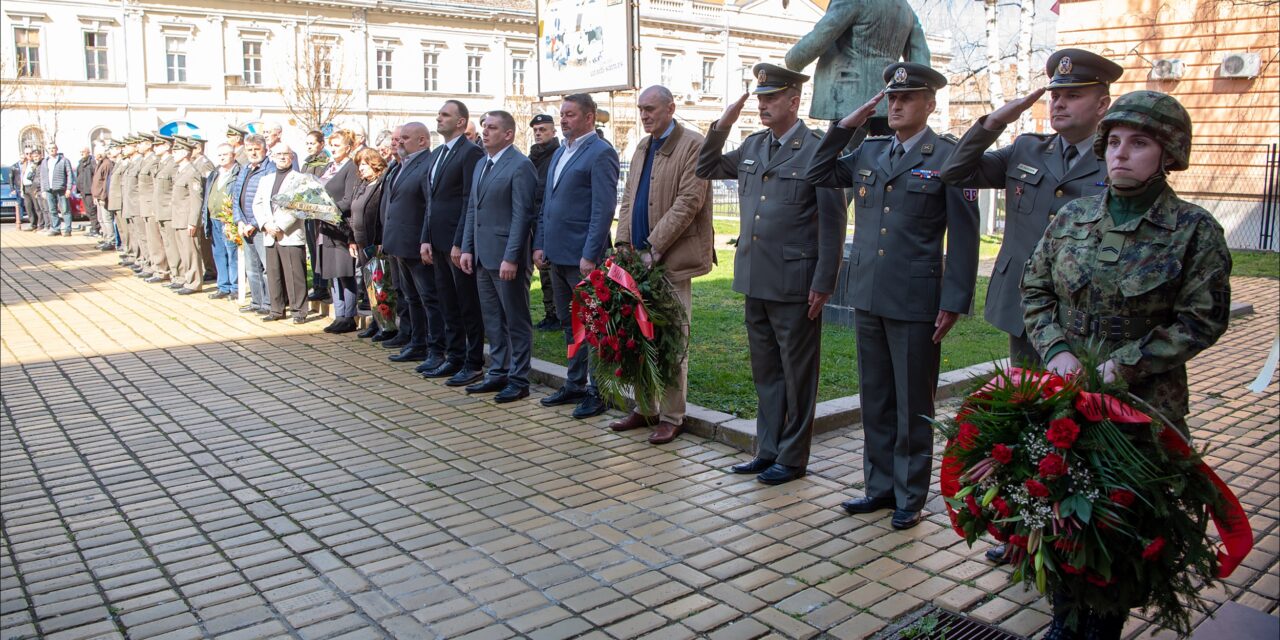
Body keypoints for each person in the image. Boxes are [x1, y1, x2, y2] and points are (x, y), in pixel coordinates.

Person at [1022, 90, 1232, 640]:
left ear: (1168, 154)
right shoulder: (1072, 217)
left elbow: (1202, 319)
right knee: (1061, 514)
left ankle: (1104, 627)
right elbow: (1036, 290)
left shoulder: (1194, 230)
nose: (1120, 154)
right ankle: (1064, 620)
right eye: (1113, 142)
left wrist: (1128, 366)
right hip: (1067, 404)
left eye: (1139, 144)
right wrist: (1058, 350)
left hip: (1141, 413)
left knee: (1122, 526)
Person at [941, 47, 1122, 565]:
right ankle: (1022, 529)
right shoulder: (1025, 148)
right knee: (1026, 421)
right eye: (1055, 95)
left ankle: (1071, 533)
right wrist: (999, 118)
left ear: (1102, 103)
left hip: (1084, 318)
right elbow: (957, 171)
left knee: (1076, 423)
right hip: (1025, 308)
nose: (1059, 104)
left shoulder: (1117, 155)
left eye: (1073, 95)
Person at [807, 62, 980, 528]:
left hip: (916, 297)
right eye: (892, 98)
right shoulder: (870, 151)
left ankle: (909, 495)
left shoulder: (947, 155)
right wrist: (847, 127)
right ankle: (878, 487)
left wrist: (954, 298)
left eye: (908, 98)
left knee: (911, 402)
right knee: (876, 398)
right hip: (867, 291)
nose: (897, 104)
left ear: (930, 103)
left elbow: (965, 235)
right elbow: (817, 171)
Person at [697, 64, 847, 484]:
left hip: (796, 281)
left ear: (794, 100)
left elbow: (833, 221)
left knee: (797, 374)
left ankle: (793, 457)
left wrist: (824, 281)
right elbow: (706, 166)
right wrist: (721, 125)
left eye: (771, 97)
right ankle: (768, 448)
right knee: (766, 369)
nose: (762, 105)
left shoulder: (817, 148)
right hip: (754, 276)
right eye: (760, 98)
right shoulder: (752, 145)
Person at [612, 85, 715, 445]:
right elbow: (628, 198)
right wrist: (623, 244)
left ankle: (672, 416)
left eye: (651, 109)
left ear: (671, 108)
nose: (644, 115)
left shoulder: (693, 145)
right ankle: (645, 407)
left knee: (671, 340)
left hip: (671, 261)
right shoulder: (642, 147)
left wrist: (653, 248)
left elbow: (689, 201)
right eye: (641, 109)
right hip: (637, 260)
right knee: (640, 338)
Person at [533, 93, 621, 420]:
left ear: (589, 117)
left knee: (594, 326)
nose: (563, 120)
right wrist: (540, 243)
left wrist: (590, 253)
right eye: (562, 115)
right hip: (556, 255)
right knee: (572, 327)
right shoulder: (560, 153)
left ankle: (597, 391)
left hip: (583, 258)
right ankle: (574, 382)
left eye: (570, 114)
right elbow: (547, 204)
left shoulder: (601, 153)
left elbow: (602, 209)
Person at [459, 110, 539, 403]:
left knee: (515, 319)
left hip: (507, 259)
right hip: (482, 255)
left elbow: (522, 216)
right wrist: (468, 247)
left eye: (492, 127)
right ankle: (498, 371)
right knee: (492, 318)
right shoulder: (482, 163)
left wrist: (512, 256)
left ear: (508, 134)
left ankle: (518, 379)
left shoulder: (520, 166)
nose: (485, 132)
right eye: (483, 127)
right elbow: (473, 210)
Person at [784, 0, 930, 135]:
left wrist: (792, 60)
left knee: (840, 155)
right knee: (888, 154)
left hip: (849, 96)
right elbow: (921, 62)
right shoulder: (906, 10)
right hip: (888, 98)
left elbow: (821, 35)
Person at [420, 100, 487, 384]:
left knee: (466, 304)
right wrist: (425, 238)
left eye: (445, 115)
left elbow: (467, 201)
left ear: (461, 122)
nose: (439, 118)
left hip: (456, 243)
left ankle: (473, 362)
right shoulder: (437, 154)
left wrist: (461, 241)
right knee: (447, 302)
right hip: (437, 241)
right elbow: (431, 201)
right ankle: (454, 356)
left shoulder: (470, 153)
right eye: (439, 114)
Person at [379, 122, 446, 365]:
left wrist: (424, 239)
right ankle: (417, 343)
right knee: (411, 297)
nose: (400, 142)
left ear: (423, 141)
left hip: (416, 244)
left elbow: (430, 206)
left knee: (428, 297)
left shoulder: (427, 165)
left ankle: (435, 347)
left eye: (405, 138)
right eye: (399, 139)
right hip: (399, 243)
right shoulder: (401, 165)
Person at [255, 143, 310, 323]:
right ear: (272, 156)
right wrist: (266, 224)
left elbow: (299, 206)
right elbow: (257, 204)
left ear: (292, 156)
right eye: (278, 154)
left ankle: (299, 311)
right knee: (273, 273)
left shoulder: (300, 179)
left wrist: (280, 226)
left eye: (285, 154)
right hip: (269, 233)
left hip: (290, 233)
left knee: (295, 275)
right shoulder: (266, 179)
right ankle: (276, 310)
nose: (282, 157)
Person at [316, 129, 361, 333]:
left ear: (348, 148)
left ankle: (349, 316)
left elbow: (349, 199)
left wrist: (326, 210)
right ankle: (339, 313)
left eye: (337, 145)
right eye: (331, 145)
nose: (332, 149)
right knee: (332, 272)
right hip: (326, 227)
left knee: (345, 273)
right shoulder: (329, 167)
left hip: (342, 227)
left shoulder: (351, 167)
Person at [231, 134, 276, 314]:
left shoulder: (269, 169)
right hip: (245, 225)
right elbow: (236, 197)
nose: (253, 153)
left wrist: (255, 223)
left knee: (266, 268)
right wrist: (239, 220)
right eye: (249, 150)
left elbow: (271, 200)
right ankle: (256, 301)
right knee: (251, 268)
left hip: (260, 226)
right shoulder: (245, 169)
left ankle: (269, 303)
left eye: (257, 149)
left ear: (264, 150)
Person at [527, 114, 562, 332]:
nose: (539, 133)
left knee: (550, 269)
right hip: (534, 217)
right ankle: (551, 312)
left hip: (549, 218)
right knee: (542, 268)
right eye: (536, 130)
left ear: (553, 132)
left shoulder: (556, 154)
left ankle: (557, 314)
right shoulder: (534, 156)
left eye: (543, 130)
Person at [351, 148, 389, 340]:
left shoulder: (381, 183)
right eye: (359, 165)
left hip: (375, 242)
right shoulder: (362, 184)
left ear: (374, 163)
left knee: (380, 285)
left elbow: (381, 214)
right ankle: (376, 322)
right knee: (370, 286)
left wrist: (381, 239)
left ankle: (385, 324)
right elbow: (354, 212)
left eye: (364, 164)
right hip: (360, 241)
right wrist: (351, 239)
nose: (361, 169)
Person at [204, 143, 242, 300]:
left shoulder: (238, 173)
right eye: (219, 155)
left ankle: (235, 287)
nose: (221, 158)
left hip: (229, 219)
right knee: (218, 253)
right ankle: (223, 286)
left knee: (232, 253)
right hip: (213, 218)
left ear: (233, 155)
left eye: (225, 155)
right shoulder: (215, 173)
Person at [169, 140, 206, 294]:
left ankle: (194, 282)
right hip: (178, 217)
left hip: (186, 219)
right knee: (183, 251)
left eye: (176, 151)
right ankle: (187, 278)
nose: (173, 154)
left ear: (185, 153)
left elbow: (196, 200)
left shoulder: (192, 172)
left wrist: (193, 222)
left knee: (191, 251)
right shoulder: (181, 171)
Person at [153, 136, 185, 287]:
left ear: (167, 146)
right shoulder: (162, 164)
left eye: (158, 145)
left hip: (170, 211)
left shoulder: (173, 164)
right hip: (161, 210)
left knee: (174, 246)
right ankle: (174, 274)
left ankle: (180, 275)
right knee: (168, 245)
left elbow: (175, 190)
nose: (155, 147)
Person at [40, 142, 76, 237]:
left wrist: (69, 188)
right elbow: (42, 176)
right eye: (50, 148)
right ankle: (56, 228)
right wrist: (43, 190)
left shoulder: (64, 160)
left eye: (53, 148)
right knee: (52, 210)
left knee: (65, 210)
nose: (52, 150)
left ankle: (68, 229)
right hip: (49, 189)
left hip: (61, 188)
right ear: (47, 150)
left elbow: (69, 174)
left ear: (57, 149)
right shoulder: (45, 161)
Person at [92, 143, 116, 250]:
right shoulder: (100, 163)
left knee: (107, 219)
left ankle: (111, 240)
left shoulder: (107, 164)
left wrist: (103, 197)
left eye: (96, 153)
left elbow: (106, 182)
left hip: (103, 197)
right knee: (101, 219)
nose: (94, 155)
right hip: (98, 196)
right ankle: (106, 238)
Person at [76, 146, 99, 237]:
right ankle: (94, 227)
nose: (82, 153)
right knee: (88, 211)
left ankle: (96, 229)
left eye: (83, 152)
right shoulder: (81, 163)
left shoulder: (92, 162)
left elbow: (95, 176)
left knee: (92, 210)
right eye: (80, 152)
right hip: (83, 191)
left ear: (88, 152)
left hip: (90, 190)